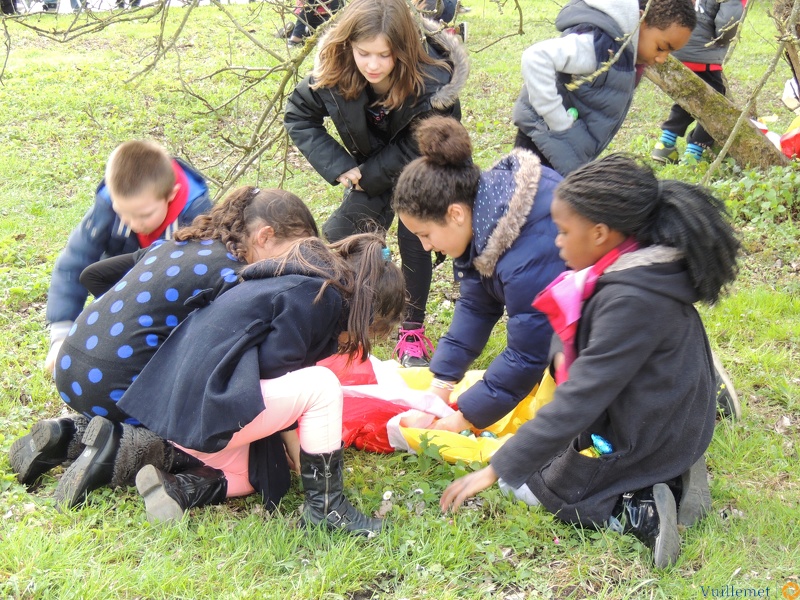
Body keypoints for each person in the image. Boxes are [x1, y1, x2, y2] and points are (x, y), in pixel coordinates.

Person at [440, 154, 740, 568]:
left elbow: (583, 395)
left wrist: (497, 468)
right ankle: (675, 470)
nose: (557, 241)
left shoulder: (630, 300)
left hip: (653, 433)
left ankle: (637, 509)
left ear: (600, 233)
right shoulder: (648, 265)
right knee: (551, 441)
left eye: (564, 231)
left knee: (537, 484)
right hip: (677, 415)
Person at [9, 187, 319, 509]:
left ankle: (67, 435)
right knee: (227, 442)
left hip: (70, 365)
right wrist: (288, 435)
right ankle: (118, 449)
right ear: (266, 236)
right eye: (291, 255)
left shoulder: (179, 242)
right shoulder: (239, 277)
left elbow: (94, 274)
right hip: (114, 387)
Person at [112, 233, 406, 536]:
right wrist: (296, 442)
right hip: (207, 409)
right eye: (370, 331)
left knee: (254, 472)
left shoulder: (284, 281)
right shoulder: (317, 297)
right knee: (323, 385)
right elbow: (274, 372)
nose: (358, 342)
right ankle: (328, 510)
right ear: (362, 308)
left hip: (183, 410)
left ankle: (178, 489)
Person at [284, 0, 469, 368]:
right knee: (340, 236)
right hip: (369, 172)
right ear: (348, 46)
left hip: (423, 167)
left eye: (384, 55)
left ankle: (412, 332)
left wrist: (367, 176)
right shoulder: (334, 73)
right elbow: (299, 115)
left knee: (416, 241)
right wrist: (340, 165)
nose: (372, 64)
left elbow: (418, 143)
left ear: (403, 49)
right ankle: (337, 325)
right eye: (363, 53)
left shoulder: (434, 83)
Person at [391, 116, 565, 434]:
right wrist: (439, 390)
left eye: (425, 234)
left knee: (562, 379)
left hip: (621, 328)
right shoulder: (487, 212)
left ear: (455, 213)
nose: (425, 247)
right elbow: (476, 306)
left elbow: (528, 352)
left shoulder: (528, 252)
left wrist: (461, 419)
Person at [44, 140, 213, 375]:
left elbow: (206, 280)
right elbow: (74, 261)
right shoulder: (108, 209)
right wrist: (61, 331)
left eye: (144, 215)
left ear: (171, 195)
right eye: (123, 213)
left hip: (171, 305)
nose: (134, 224)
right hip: (119, 295)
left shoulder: (198, 217)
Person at [512, 0, 696, 177]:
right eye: (661, 48)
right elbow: (535, 58)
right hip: (540, 147)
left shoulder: (626, 56)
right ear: (641, 20)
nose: (662, 59)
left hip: (564, 153)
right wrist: (560, 123)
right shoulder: (600, 46)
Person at [651, 0, 746, 164]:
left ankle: (665, 143)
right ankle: (693, 154)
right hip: (704, 57)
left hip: (678, 51)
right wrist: (723, 40)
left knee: (687, 99)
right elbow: (728, 23)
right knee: (714, 106)